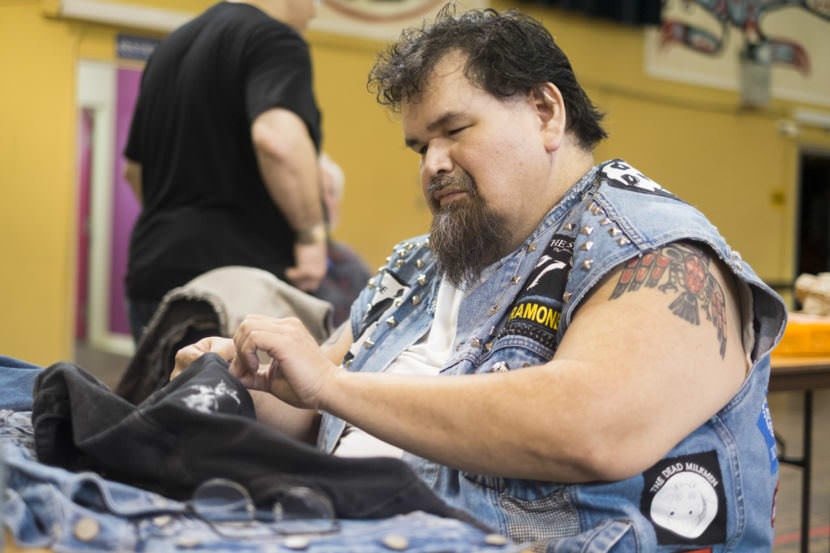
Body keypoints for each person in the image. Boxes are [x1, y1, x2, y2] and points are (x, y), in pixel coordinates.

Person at [173, 8, 787, 552]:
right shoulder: (419, 266)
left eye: (454, 131)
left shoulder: (657, 249)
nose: (433, 164)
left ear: (546, 112)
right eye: (420, 147)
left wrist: (332, 385)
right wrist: (244, 379)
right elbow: (314, 407)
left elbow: (591, 429)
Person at [123, 0, 327, 345]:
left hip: (152, 275)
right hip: (231, 291)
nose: (314, 12)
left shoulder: (168, 50)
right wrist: (311, 236)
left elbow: (133, 171)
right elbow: (277, 140)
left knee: (164, 382)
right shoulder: (275, 39)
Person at [314, 153, 372, 326]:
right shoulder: (273, 262)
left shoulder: (350, 264)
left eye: (331, 193)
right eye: (317, 192)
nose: (326, 202)